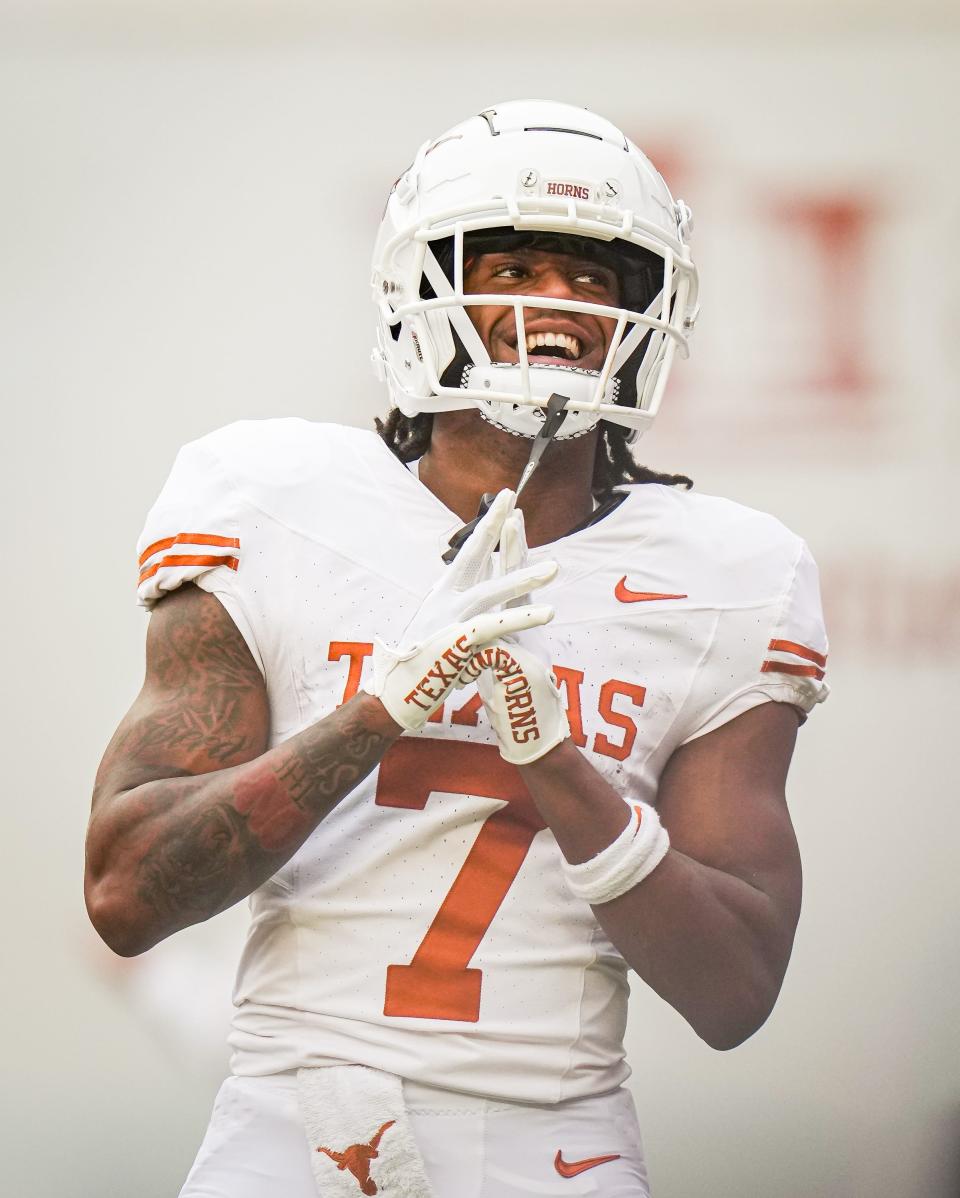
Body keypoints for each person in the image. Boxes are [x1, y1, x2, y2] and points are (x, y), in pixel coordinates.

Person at [84, 99, 829, 1198]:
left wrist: (559, 766)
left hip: (558, 1142)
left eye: (595, 280)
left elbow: (736, 994)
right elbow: (126, 892)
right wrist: (375, 712)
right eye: (519, 269)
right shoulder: (274, 500)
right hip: (294, 1127)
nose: (563, 309)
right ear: (422, 292)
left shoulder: (729, 573)